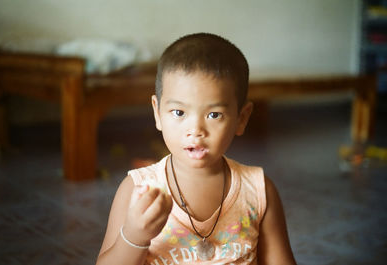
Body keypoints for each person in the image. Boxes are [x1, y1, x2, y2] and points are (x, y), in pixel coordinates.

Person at [96, 33, 296, 265]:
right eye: (179, 113)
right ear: (157, 113)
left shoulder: (259, 191)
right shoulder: (137, 189)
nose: (196, 130)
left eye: (214, 115)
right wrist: (134, 236)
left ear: (241, 118)